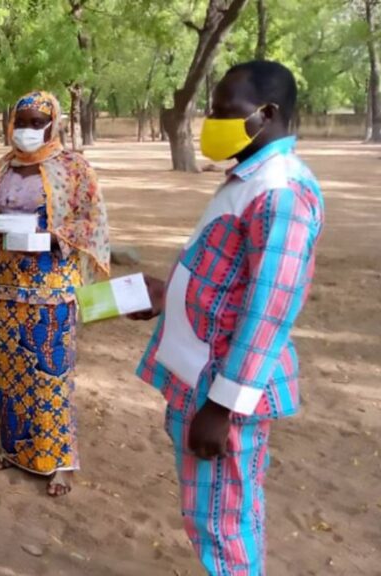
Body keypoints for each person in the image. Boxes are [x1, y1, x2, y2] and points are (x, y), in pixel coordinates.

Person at [129, 60, 323, 575]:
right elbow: (229, 280)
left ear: (269, 113)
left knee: (222, 522)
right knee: (211, 514)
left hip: (223, 389)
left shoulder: (280, 191)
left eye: (223, 111)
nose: (212, 121)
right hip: (202, 376)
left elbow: (269, 309)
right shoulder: (250, 176)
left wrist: (223, 406)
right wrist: (167, 294)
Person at [0, 91, 109, 497]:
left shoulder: (73, 168)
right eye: (22, 121)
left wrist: (55, 237)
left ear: (54, 125)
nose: (28, 130)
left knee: (50, 374)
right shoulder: (1, 168)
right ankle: (15, 450)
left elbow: (92, 220)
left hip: (51, 288)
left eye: (37, 122)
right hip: (6, 287)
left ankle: (59, 462)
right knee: (11, 373)